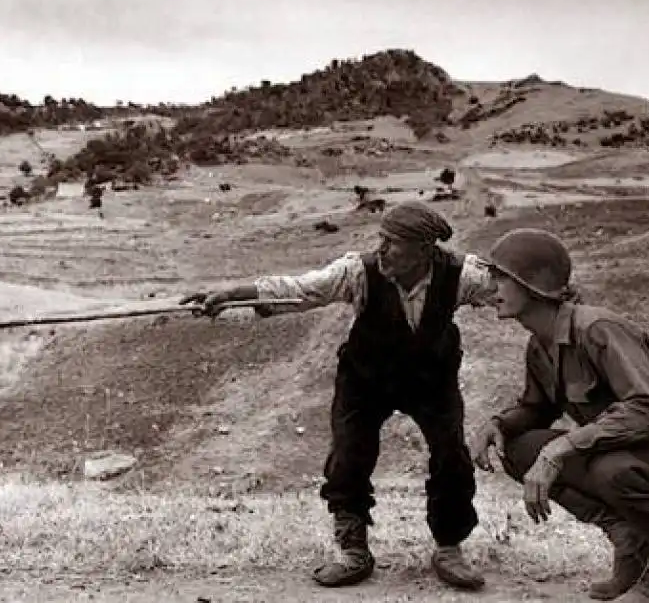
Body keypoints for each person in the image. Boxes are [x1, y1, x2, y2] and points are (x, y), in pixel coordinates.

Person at [181, 201, 495, 590]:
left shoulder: (462, 275)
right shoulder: (357, 273)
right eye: (381, 238)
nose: (381, 249)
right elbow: (299, 291)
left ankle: (449, 548)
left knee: (452, 454)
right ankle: (353, 550)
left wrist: (556, 293)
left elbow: (514, 288)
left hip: (431, 380)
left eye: (392, 242)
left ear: (425, 249)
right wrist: (231, 295)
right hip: (365, 379)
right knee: (348, 456)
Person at [472, 228, 649, 603]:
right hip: (644, 460)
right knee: (519, 448)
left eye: (500, 276)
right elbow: (537, 410)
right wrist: (498, 425)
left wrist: (561, 449)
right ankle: (631, 541)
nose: (490, 286)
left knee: (610, 466)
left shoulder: (598, 329)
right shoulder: (540, 345)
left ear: (534, 284)